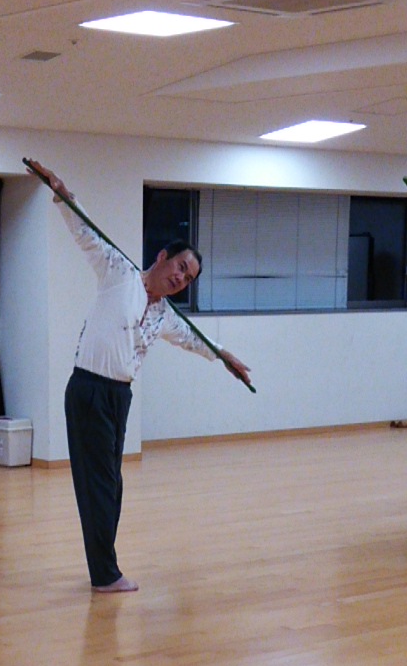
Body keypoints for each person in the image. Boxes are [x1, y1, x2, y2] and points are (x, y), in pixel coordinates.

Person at [25, 159, 252, 593]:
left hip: (119, 397)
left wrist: (223, 357)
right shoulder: (119, 273)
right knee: (99, 486)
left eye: (188, 278)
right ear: (163, 257)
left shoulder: (165, 315)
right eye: (180, 267)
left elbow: (192, 339)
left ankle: (105, 568)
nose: (180, 278)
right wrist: (62, 193)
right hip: (89, 389)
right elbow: (85, 232)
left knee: (112, 486)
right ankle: (105, 574)